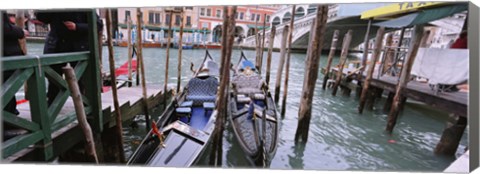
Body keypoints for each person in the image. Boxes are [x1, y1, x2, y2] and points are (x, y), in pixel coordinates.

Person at [35, 10, 103, 105]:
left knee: (79, 80)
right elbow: (42, 17)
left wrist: (77, 26)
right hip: (56, 46)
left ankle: (84, 106)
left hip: (78, 48)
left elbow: (98, 25)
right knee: (54, 79)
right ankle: (52, 106)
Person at [2, 11, 28, 115]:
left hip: (8, 55)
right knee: (6, 86)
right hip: (6, 55)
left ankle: (10, 115)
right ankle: (9, 117)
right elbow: (4, 28)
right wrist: (20, 31)